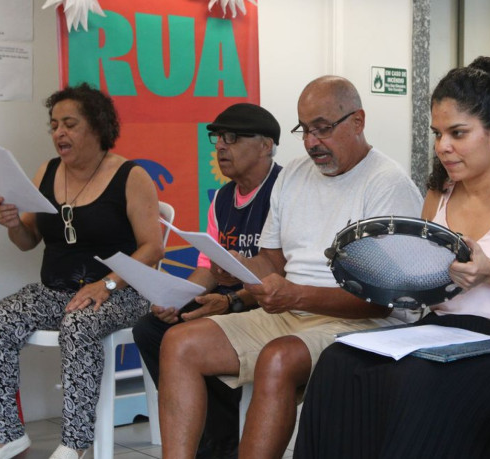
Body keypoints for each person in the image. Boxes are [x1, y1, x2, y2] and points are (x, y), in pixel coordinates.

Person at [293, 56, 490, 459]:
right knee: (339, 362)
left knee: (420, 380)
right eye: (437, 133)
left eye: (458, 133)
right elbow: (423, 285)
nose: (443, 146)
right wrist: (374, 265)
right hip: (444, 334)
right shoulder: (440, 194)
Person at [155, 75, 424, 458]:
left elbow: (382, 302)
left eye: (323, 128)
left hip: (364, 323)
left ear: (358, 121)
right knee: (179, 343)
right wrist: (238, 269)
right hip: (293, 312)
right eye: (305, 129)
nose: (312, 141)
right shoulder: (294, 175)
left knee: (278, 357)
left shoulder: (387, 184)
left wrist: (295, 294)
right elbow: (273, 261)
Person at [0, 83, 163, 459]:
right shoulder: (47, 171)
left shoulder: (130, 176)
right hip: (56, 290)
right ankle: (7, 436)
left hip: (123, 292)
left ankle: (76, 443)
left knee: (79, 324)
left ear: (97, 128)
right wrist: (13, 222)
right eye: (53, 125)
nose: (59, 133)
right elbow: (28, 240)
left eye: (69, 124)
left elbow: (153, 247)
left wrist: (107, 284)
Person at [132, 102, 282, 458]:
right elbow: (208, 267)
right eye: (217, 137)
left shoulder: (284, 190)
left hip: (263, 304)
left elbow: (284, 271)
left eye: (232, 137)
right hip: (226, 300)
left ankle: (219, 442)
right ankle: (207, 436)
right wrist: (179, 297)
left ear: (265, 145)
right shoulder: (223, 199)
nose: (220, 147)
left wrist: (231, 300)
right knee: (151, 328)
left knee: (199, 333)